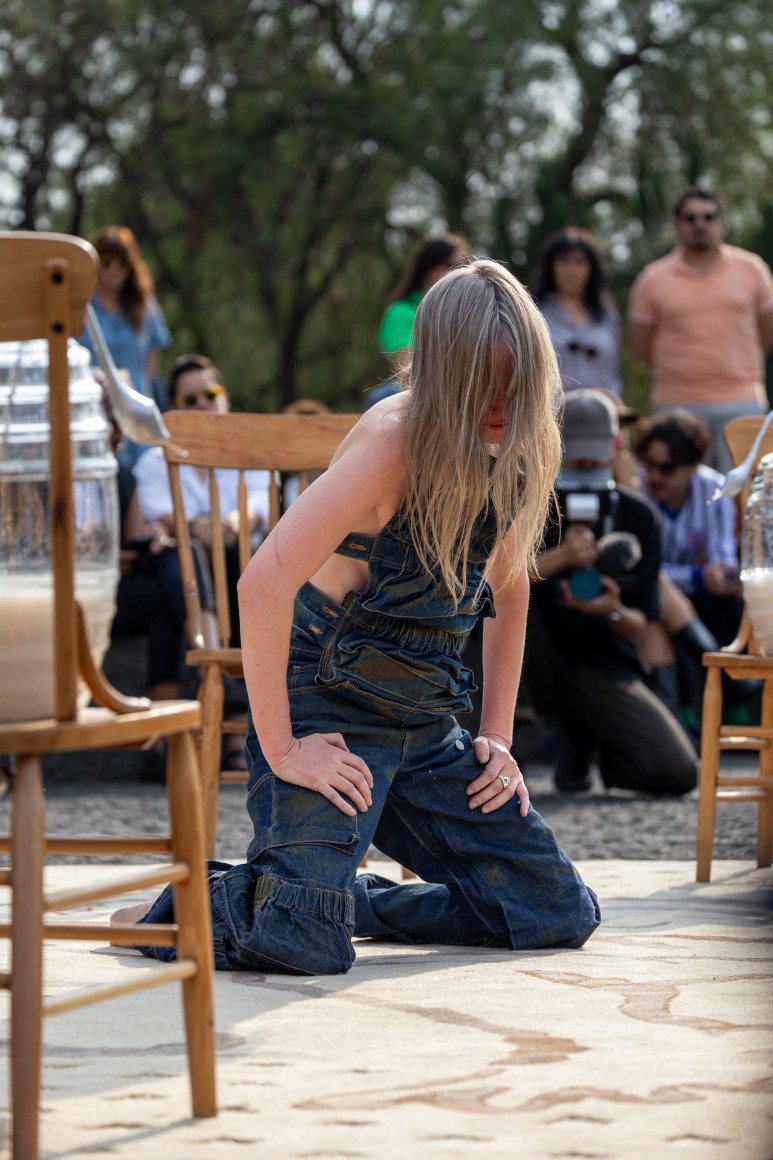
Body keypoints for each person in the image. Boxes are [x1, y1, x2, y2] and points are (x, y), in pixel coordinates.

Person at [114, 259, 601, 973]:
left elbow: (510, 587)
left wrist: (497, 737)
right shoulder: (390, 443)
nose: (500, 404)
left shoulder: (519, 446)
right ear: (444, 374)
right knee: (300, 941)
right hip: (325, 704)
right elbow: (262, 584)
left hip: (425, 720)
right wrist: (284, 750)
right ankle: (192, 910)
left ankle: (343, 900)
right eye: (483, 385)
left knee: (557, 911)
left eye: (515, 386)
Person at [527, 389, 698, 795]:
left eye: (593, 456)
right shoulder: (530, 502)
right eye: (576, 457)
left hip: (603, 666)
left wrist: (611, 609)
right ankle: (555, 734)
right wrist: (563, 557)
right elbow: (491, 582)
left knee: (677, 771)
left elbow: (640, 626)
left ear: (616, 445)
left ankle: (597, 740)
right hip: (533, 663)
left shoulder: (637, 516)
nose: (585, 466)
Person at [133, 353, 271, 769]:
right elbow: (165, 518)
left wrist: (215, 526)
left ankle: (200, 675)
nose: (202, 405)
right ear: (175, 409)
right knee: (186, 557)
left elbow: (256, 512)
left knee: (225, 564)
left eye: (210, 394)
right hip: (192, 571)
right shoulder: (155, 460)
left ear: (225, 397)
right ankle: (229, 715)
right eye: (189, 400)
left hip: (232, 567)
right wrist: (209, 527)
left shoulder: (250, 452)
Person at [628, 186, 773, 474]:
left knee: (746, 490)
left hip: (741, 400)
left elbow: (767, 332)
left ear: (722, 222)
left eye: (709, 217)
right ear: (678, 224)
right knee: (678, 491)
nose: (700, 224)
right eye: (690, 218)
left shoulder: (752, 269)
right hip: (676, 403)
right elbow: (641, 347)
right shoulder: (653, 279)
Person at [633, 410, 756, 721]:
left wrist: (721, 575)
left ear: (692, 465)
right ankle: (725, 687)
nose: (655, 476)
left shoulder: (715, 488)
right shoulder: (637, 488)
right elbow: (645, 571)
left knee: (731, 602)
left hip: (701, 599)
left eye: (666, 468)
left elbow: (721, 558)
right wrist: (699, 577)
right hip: (656, 599)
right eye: (650, 465)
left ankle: (730, 706)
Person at [79, 226, 172, 466]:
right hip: (93, 414)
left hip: (138, 417)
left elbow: (151, 365)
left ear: (131, 266)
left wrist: (132, 397)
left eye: (121, 261)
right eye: (106, 260)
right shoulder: (79, 307)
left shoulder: (144, 307)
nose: (114, 267)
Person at [365, 234, 471, 409]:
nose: (461, 273)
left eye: (466, 266)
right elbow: (407, 374)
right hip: (427, 396)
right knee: (383, 396)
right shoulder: (400, 312)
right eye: (453, 266)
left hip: (469, 392)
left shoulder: (470, 314)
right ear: (428, 268)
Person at [533, 228, 623, 397]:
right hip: (553, 410)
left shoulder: (607, 315)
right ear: (551, 266)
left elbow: (614, 372)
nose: (572, 269)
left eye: (580, 262)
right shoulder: (535, 314)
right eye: (564, 261)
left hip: (603, 407)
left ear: (592, 268)